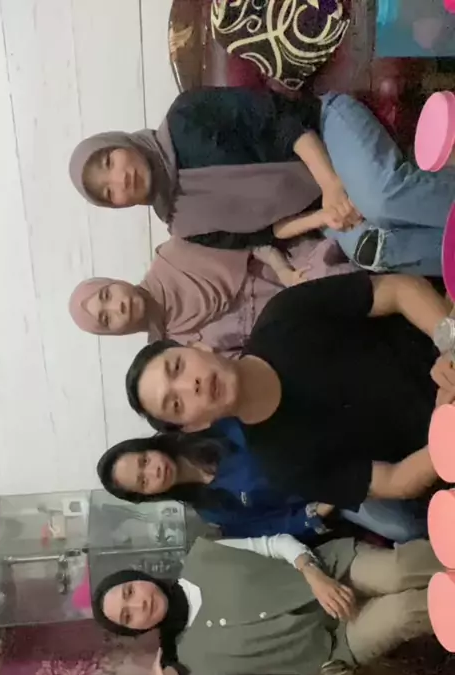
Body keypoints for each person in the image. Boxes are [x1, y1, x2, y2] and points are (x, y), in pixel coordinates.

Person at [125, 270, 455, 508]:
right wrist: (446, 429)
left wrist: (449, 346)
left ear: (199, 347)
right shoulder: (282, 467)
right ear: (195, 426)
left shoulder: (284, 315)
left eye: (178, 367)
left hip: (442, 338)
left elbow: (396, 290)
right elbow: (395, 481)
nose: (191, 385)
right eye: (176, 403)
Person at [91, 532, 441, 675]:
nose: (139, 605)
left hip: (333, 571)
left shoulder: (203, 556)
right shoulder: (193, 662)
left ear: (138, 578)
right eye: (128, 616)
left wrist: (313, 574)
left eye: (130, 591)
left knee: (397, 571)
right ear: (136, 630)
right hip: (337, 642)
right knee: (401, 613)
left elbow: (274, 544)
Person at [69, 87, 455, 274]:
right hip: (321, 205)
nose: (120, 180)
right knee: (371, 250)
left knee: (380, 200)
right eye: (109, 192)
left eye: (109, 161)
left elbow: (281, 123)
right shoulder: (183, 225)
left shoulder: (186, 115)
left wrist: (332, 186)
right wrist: (325, 216)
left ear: (119, 142)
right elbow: (270, 233)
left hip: (324, 130)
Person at [97, 422, 428, 543]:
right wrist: (322, 507)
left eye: (144, 461)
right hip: (332, 492)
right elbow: (275, 526)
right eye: (143, 481)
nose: (153, 472)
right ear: (148, 495)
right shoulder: (213, 510)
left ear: (148, 447)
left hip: (327, 443)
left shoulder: (207, 429)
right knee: (403, 528)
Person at [68, 236, 352, 358]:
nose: (118, 306)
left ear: (114, 281)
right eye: (107, 319)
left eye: (107, 294)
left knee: (338, 282)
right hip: (298, 339)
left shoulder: (176, 253)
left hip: (297, 272)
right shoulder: (169, 354)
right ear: (115, 333)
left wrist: (285, 273)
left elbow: (251, 241)